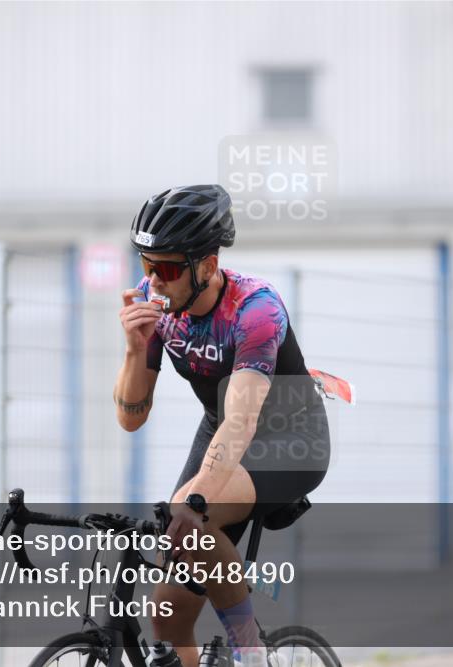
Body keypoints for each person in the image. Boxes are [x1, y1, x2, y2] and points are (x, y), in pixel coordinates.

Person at [114, 184, 331, 667]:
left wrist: (196, 502)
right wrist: (134, 349)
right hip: (221, 428)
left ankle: (249, 652)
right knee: (167, 615)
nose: (154, 281)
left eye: (168, 269)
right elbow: (131, 418)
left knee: (191, 511)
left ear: (208, 266)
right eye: (147, 266)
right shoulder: (157, 305)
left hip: (289, 439)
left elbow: (242, 419)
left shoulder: (256, 309)